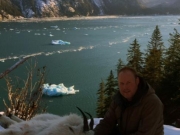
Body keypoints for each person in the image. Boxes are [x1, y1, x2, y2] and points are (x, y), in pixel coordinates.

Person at [94, 66, 164, 135]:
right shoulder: (118, 99)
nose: (125, 87)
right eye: (122, 83)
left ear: (137, 81)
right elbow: (107, 123)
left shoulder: (152, 103)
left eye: (128, 83)